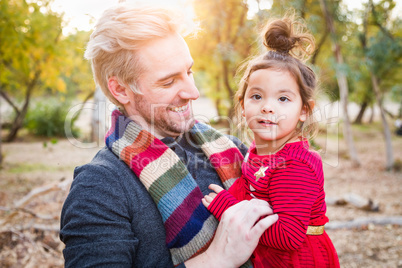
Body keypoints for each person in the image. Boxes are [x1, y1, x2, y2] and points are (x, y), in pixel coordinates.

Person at [59, 3, 278, 268]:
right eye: (169, 81)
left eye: (189, 71)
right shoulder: (99, 187)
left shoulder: (232, 149)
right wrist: (216, 259)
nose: (193, 92)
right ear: (120, 89)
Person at [202, 16, 340, 268]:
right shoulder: (259, 151)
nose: (267, 107)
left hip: (297, 261)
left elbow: (289, 237)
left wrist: (230, 211)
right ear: (242, 106)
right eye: (256, 96)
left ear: (304, 110)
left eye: (283, 99)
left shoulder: (294, 166)